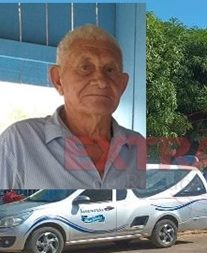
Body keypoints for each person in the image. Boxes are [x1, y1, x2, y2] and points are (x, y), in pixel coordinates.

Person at [0, 24, 146, 189]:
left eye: (110, 70)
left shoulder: (138, 147)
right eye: (85, 67)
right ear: (58, 80)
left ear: (123, 84)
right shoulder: (18, 143)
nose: (101, 81)